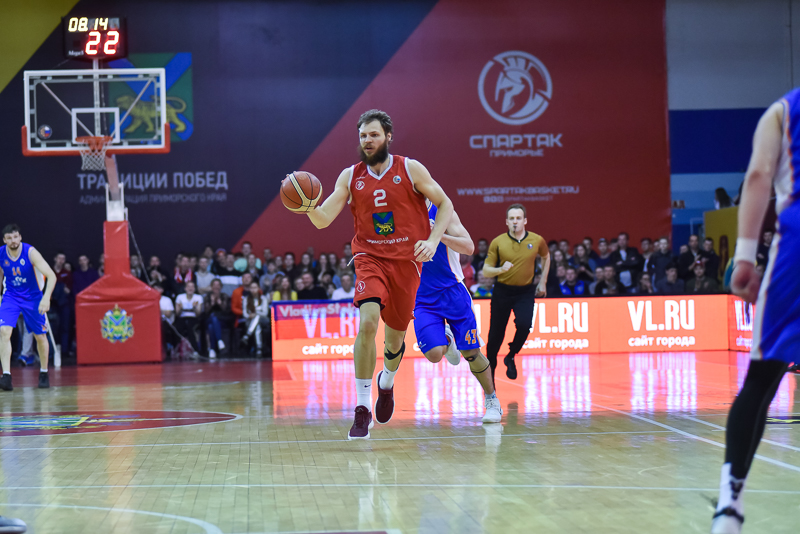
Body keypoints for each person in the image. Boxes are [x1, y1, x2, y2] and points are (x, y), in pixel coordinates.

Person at [302, 109, 453, 439]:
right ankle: (361, 408)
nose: (367, 140)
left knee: (394, 339)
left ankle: (387, 382)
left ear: (388, 137)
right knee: (368, 321)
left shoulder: (410, 168)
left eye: (373, 135)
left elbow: (445, 204)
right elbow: (323, 219)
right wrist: (307, 205)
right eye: (362, 136)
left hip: (406, 263)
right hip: (368, 257)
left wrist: (432, 240)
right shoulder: (350, 176)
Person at [709, 93, 800, 534]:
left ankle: (730, 506)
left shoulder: (782, 111)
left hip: (795, 250)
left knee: (762, 380)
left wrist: (745, 256)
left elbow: (760, 174)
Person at [413, 203, 502, 423]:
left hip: (453, 292)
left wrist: (438, 236)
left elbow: (469, 247)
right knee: (434, 354)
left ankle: (492, 401)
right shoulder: (401, 213)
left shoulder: (443, 211)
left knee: (471, 354)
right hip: (422, 297)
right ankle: (448, 339)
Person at [482, 204, 549, 382]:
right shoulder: (498, 242)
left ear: (525, 220)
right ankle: (490, 379)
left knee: (524, 325)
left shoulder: (537, 240)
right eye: (511, 218)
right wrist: (500, 269)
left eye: (518, 218)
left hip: (525, 292)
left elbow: (546, 256)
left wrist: (543, 281)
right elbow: (486, 271)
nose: (515, 222)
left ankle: (511, 355)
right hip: (502, 291)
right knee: (495, 336)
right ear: (506, 222)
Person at [0, 224, 56, 389]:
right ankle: (6, 376)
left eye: (15, 237)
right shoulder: (1, 253)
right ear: (4, 240)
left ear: (20, 237)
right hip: (11, 296)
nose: (13, 240)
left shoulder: (30, 252)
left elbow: (51, 276)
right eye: (9, 238)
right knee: (4, 332)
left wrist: (46, 298)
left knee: (40, 336)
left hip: (33, 297)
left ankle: (44, 372)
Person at [174, 280, 203, 355]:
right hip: (182, 318)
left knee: (190, 328)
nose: (190, 288)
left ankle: (195, 350)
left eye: (192, 287)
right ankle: (177, 349)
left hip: (194, 318)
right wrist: (180, 308)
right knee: (177, 328)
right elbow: (177, 313)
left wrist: (194, 307)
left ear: (195, 289)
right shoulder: (180, 297)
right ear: (185, 288)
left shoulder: (198, 297)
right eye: (188, 286)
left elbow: (198, 313)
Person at [241, 281, 269, 356]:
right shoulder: (246, 299)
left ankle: (247, 335)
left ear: (258, 288)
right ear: (249, 289)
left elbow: (265, 313)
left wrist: (256, 313)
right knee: (257, 326)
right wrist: (249, 316)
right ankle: (259, 348)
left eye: (255, 287)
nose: (253, 290)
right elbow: (245, 313)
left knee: (257, 317)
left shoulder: (263, 298)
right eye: (252, 288)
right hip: (250, 320)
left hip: (263, 320)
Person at [204, 279, 230, 359]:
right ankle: (219, 340)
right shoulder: (207, 296)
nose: (216, 287)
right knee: (213, 318)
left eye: (218, 285)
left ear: (221, 287)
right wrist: (211, 304)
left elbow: (226, 311)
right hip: (209, 319)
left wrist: (220, 303)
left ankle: (212, 349)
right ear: (211, 287)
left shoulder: (224, 296)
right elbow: (205, 311)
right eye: (214, 285)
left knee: (211, 327)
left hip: (222, 319)